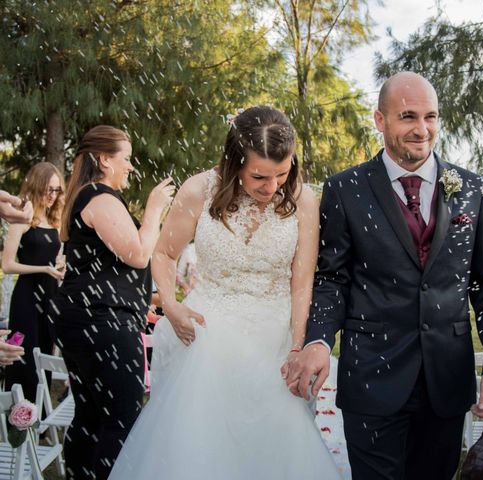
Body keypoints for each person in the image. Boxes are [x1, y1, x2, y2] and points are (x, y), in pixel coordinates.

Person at [284, 72, 483, 480]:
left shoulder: (472, 189)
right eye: (408, 116)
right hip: (372, 375)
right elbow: (332, 278)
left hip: (446, 378)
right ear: (380, 120)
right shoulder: (345, 189)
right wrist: (319, 338)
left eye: (431, 117)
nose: (422, 130)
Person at [109, 106, 341, 479]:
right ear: (235, 163)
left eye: (282, 174)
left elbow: (302, 285)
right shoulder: (199, 189)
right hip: (207, 337)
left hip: (274, 342)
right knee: (199, 449)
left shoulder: (303, 200)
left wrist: (297, 348)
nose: (272, 187)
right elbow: (165, 253)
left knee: (273, 453)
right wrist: (170, 305)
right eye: (259, 176)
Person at [50, 125, 174, 480]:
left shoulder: (87, 196)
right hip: (101, 324)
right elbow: (136, 253)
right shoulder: (100, 197)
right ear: (104, 159)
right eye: (127, 159)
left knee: (91, 415)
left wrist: (139, 300)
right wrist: (153, 210)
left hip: (90, 319)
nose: (131, 167)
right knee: (121, 418)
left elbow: (106, 268)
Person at [1, 162, 65, 401]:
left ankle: (38, 418)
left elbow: (55, 258)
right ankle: (17, 418)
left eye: (57, 190)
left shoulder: (55, 221)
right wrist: (43, 269)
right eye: (49, 189)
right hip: (26, 299)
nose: (52, 195)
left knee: (43, 356)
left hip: (50, 298)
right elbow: (7, 265)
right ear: (37, 186)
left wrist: (60, 266)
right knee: (22, 355)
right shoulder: (23, 218)